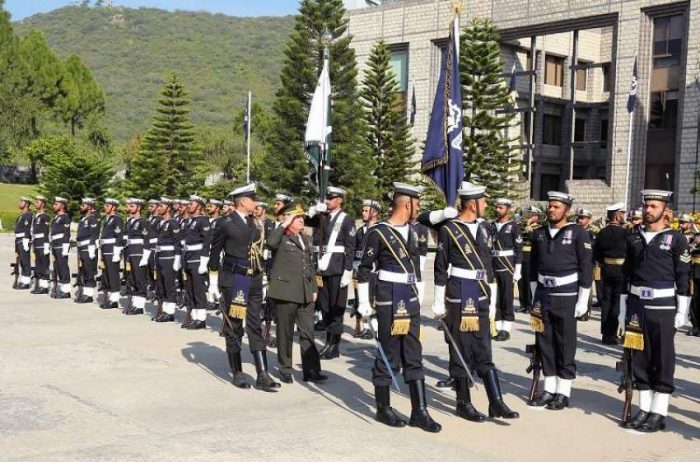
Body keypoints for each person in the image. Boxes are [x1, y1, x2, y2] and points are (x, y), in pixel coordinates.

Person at [430, 183, 519, 422]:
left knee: (483, 347)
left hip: (481, 293)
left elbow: (489, 264)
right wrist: (439, 304)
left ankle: (496, 401)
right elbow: (440, 269)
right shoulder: (449, 230)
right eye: (484, 201)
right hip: (458, 295)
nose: (487, 205)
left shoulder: (486, 228)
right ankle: (463, 402)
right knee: (461, 349)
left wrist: (491, 296)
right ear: (472, 204)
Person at [356, 182, 441, 433]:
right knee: (389, 354)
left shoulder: (414, 232)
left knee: (414, 354)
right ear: (407, 204)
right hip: (389, 298)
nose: (419, 208)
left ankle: (420, 411)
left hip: (410, 297)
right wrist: (363, 301)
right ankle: (383, 408)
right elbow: (365, 269)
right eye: (417, 203)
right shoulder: (379, 232)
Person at [619, 190, 690, 432]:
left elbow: (683, 277)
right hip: (637, 305)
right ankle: (644, 408)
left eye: (653, 206)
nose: (648, 210)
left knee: (662, 358)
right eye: (646, 206)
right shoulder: (634, 238)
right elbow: (626, 275)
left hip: (663, 306)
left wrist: (682, 310)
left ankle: (659, 412)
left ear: (665, 211)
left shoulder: (676, 238)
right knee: (639, 358)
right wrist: (622, 309)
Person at [209, 183, 280, 391]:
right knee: (235, 326)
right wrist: (214, 281)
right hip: (236, 279)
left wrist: (264, 277)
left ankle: (262, 373)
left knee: (255, 325)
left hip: (255, 278)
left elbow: (259, 252)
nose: (256, 203)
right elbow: (215, 253)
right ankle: (238, 372)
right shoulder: (226, 222)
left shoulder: (255, 223)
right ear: (242, 201)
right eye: (252, 199)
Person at [527, 191, 592, 410]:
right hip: (544, 294)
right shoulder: (539, 233)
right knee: (545, 342)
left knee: (564, 343)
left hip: (566, 295)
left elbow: (586, 267)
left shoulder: (578, 233)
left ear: (567, 210)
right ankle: (549, 388)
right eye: (550, 206)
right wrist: (534, 296)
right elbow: (532, 267)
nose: (552, 209)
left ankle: (563, 391)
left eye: (556, 206)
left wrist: (583, 300)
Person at [267, 201, 327, 384]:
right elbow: (270, 243)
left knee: (307, 332)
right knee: (285, 333)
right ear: (288, 218)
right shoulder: (281, 237)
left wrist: (315, 289)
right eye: (297, 217)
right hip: (285, 292)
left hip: (305, 292)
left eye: (302, 217)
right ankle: (285, 368)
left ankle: (311, 370)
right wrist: (284, 223)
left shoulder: (305, 238)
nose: (302, 220)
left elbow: (310, 266)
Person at [306, 186, 356, 360]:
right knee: (325, 307)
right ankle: (328, 342)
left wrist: (348, 270)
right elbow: (305, 221)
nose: (328, 200)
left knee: (336, 308)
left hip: (337, 269)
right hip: (322, 268)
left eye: (331, 198)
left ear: (340, 200)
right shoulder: (322, 217)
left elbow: (350, 247)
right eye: (326, 197)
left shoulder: (346, 219)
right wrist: (313, 210)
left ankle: (334, 345)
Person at [593, 203, 628, 344]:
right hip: (621, 270)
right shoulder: (626, 233)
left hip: (607, 269)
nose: (624, 216)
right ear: (617, 215)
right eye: (622, 213)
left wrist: (605, 262)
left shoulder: (602, 232)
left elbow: (597, 253)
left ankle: (606, 334)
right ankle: (614, 333)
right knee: (617, 302)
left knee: (606, 302)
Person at [490, 198, 522, 341]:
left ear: (508, 209)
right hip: (493, 264)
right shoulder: (491, 225)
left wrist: (517, 270)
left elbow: (519, 249)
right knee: (494, 296)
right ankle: (496, 326)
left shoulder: (513, 226)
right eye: (497, 207)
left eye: (501, 207)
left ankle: (506, 328)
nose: (497, 209)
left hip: (507, 264)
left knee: (506, 296)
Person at [180, 195, 212, 329]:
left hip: (198, 258)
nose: (189, 205)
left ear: (199, 206)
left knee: (198, 289)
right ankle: (194, 316)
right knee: (190, 288)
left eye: (192, 204)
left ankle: (201, 319)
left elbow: (207, 242)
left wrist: (204, 262)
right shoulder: (190, 221)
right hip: (188, 257)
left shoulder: (203, 221)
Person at [351, 199, 381, 339]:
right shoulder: (360, 231)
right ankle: (361, 325)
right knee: (360, 298)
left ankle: (372, 328)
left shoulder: (380, 229)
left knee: (373, 299)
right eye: (362, 210)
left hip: (375, 271)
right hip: (360, 271)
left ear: (374, 213)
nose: (362, 213)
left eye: (366, 210)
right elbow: (355, 252)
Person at [153, 198, 182, 322]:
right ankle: (164, 310)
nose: (158, 208)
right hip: (160, 256)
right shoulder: (162, 223)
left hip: (169, 257)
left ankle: (170, 312)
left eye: (161, 206)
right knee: (161, 285)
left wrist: (177, 258)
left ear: (168, 208)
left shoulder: (173, 223)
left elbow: (177, 242)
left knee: (169, 285)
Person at [123, 198, 151, 315]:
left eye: (132, 206)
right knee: (132, 279)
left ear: (139, 208)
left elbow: (146, 240)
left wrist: (145, 256)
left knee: (140, 280)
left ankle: (140, 306)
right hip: (131, 253)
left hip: (139, 253)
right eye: (129, 206)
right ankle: (135, 304)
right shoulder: (131, 222)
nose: (129, 208)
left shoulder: (142, 222)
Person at [99, 198, 124, 309]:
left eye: (107, 205)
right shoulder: (107, 219)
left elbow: (119, 236)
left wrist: (117, 252)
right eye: (105, 205)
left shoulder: (117, 219)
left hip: (112, 249)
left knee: (113, 274)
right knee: (106, 274)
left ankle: (114, 299)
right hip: (105, 249)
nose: (105, 207)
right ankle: (110, 297)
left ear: (113, 207)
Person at [74, 198, 99, 303]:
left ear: (89, 207)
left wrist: (92, 248)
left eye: (83, 205)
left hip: (88, 248)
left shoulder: (93, 219)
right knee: (83, 271)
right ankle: (85, 292)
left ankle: (89, 295)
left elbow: (94, 234)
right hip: (82, 248)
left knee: (89, 272)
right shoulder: (83, 219)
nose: (81, 207)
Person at [576, 208, 600, 319]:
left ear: (588, 219)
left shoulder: (594, 231)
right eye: (579, 217)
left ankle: (586, 311)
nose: (580, 220)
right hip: (575, 263)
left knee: (587, 287)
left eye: (583, 218)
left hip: (589, 262)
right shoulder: (574, 230)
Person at [518, 206, 542, 313]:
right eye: (529, 214)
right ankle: (523, 304)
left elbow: (533, 237)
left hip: (531, 254)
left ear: (537, 216)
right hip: (521, 254)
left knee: (528, 280)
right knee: (521, 280)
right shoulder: (521, 226)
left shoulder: (540, 228)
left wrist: (528, 225)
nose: (530, 217)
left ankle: (530, 304)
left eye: (532, 215)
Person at [50, 196, 72, 299]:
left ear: (62, 206)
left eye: (56, 204)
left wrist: (65, 246)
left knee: (63, 267)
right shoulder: (57, 217)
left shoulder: (64, 217)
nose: (54, 206)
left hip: (61, 244)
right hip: (55, 244)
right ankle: (61, 288)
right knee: (57, 267)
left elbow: (66, 233)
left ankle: (66, 291)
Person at [30, 195, 51, 295]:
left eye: (37, 202)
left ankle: (45, 286)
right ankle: (39, 285)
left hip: (43, 243)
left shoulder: (45, 217)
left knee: (43, 265)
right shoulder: (36, 216)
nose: (35, 204)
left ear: (42, 204)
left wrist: (46, 244)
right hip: (36, 243)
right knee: (38, 265)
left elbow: (46, 231)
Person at [13, 196, 33, 290]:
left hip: (23, 240)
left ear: (27, 204)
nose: (20, 203)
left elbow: (27, 228)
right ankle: (24, 279)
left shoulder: (28, 215)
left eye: (22, 202)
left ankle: (26, 282)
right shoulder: (22, 215)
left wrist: (26, 240)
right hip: (18, 240)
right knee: (21, 261)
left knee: (25, 261)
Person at [146, 199, 162, 300]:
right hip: (149, 246)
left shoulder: (159, 219)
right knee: (149, 269)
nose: (149, 208)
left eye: (152, 206)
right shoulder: (150, 218)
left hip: (155, 246)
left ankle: (157, 289)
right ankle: (151, 287)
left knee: (154, 268)